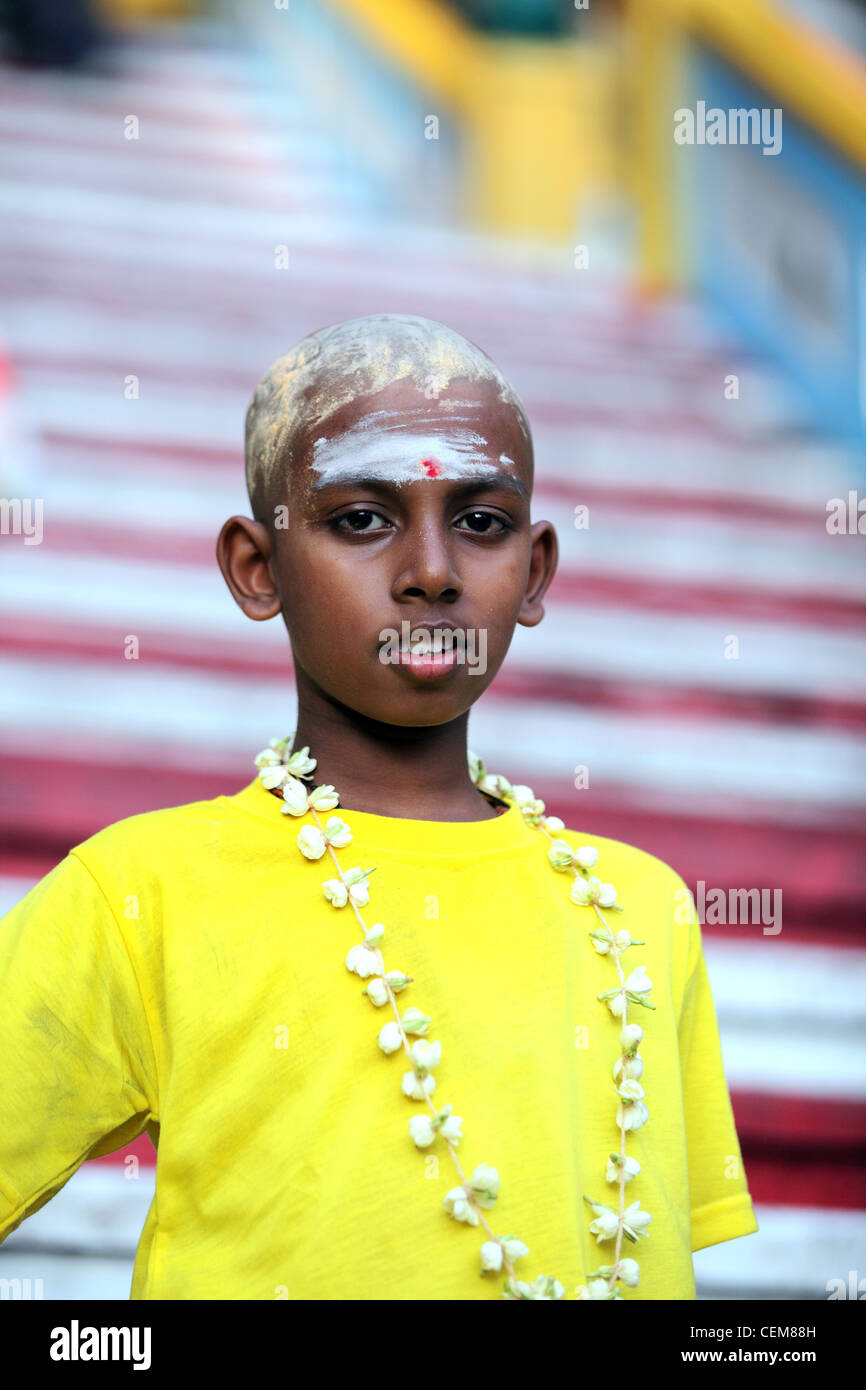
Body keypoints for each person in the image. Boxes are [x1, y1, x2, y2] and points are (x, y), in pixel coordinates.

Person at [0, 314, 758, 1300]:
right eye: (361, 518)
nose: (433, 573)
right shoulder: (143, 892)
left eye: (479, 522)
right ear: (256, 568)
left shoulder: (639, 911)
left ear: (532, 575)